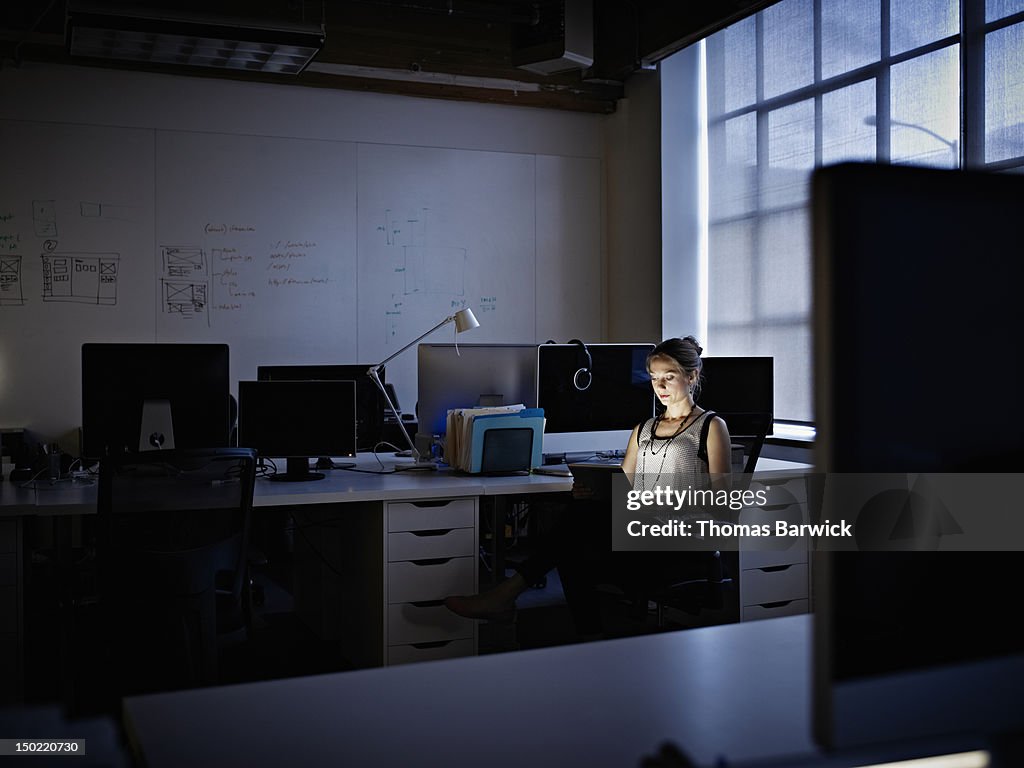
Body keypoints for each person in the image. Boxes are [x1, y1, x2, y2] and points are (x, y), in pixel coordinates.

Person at [443, 336, 732, 633]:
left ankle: (508, 597)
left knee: (574, 533)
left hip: (680, 543)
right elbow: (623, 489)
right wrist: (593, 492)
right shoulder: (643, 430)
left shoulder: (711, 427)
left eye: (668, 378)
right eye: (655, 378)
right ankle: (589, 638)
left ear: (692, 376)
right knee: (576, 534)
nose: (660, 388)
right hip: (642, 537)